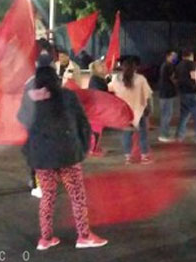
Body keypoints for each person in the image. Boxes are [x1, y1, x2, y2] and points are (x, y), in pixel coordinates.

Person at [17, 58, 107, 251]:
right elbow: (83, 123)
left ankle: (45, 238)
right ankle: (84, 236)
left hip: (41, 157)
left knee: (48, 196)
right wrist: (83, 147)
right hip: (68, 154)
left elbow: (22, 120)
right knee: (77, 195)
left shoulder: (29, 100)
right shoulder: (67, 97)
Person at [110, 56, 153, 164]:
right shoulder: (140, 79)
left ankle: (128, 158)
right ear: (135, 67)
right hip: (139, 110)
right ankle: (144, 157)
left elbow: (110, 90)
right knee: (143, 134)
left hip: (125, 112)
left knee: (126, 135)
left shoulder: (116, 79)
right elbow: (147, 95)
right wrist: (149, 108)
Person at [174, 49, 196, 144]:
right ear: (191, 55)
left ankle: (179, 136)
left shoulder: (178, 65)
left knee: (184, 115)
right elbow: (194, 76)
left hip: (182, 92)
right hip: (192, 92)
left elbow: (175, 78)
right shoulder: (191, 64)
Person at [157, 50, 179, 142]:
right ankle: (164, 135)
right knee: (167, 115)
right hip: (167, 94)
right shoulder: (168, 66)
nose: (175, 58)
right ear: (168, 56)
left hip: (164, 93)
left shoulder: (165, 65)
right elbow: (172, 78)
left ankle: (164, 133)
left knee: (165, 114)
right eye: (173, 56)